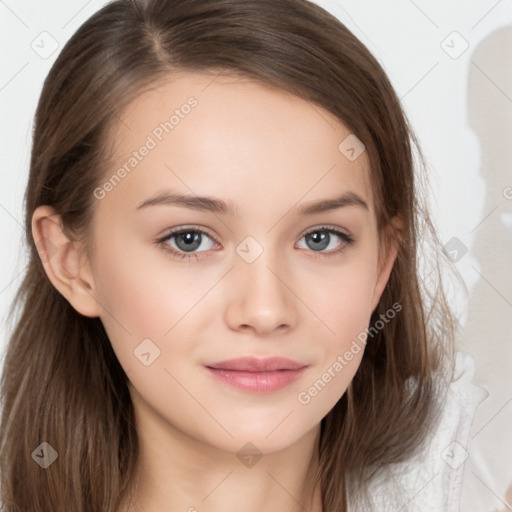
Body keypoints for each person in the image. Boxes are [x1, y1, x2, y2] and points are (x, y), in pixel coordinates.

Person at [0, 0, 483, 510]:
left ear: (382, 262)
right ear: (71, 262)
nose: (266, 311)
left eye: (321, 238)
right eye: (190, 239)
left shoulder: (481, 474)